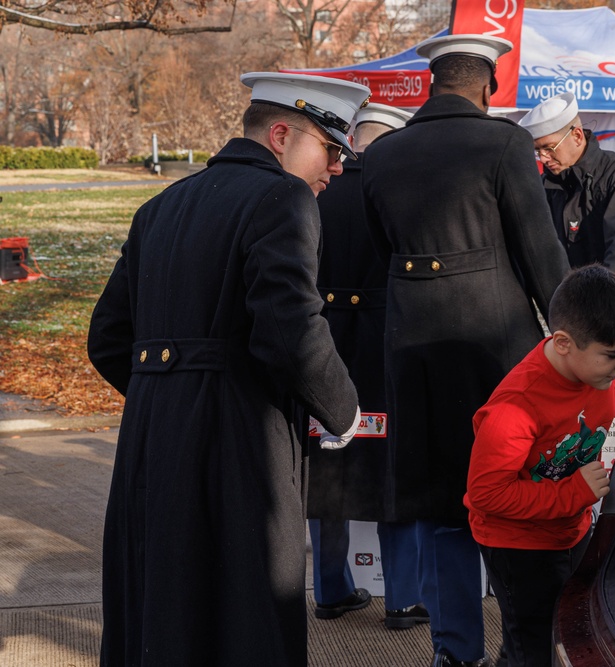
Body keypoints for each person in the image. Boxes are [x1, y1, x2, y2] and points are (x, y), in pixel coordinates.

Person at [87, 72, 370, 667]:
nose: (338, 168)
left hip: (151, 443)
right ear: (281, 134)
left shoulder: (159, 206)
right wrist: (342, 411)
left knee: (162, 609)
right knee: (245, 615)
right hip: (240, 443)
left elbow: (109, 339)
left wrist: (166, 394)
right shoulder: (282, 197)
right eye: (330, 148)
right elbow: (291, 327)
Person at [362, 34, 570, 667]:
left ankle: (454, 651)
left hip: (413, 347)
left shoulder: (384, 153)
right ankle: (524, 648)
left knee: (442, 508)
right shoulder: (505, 142)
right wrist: (571, 332)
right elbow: (541, 252)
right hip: (495, 348)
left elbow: (380, 251)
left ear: (429, 84)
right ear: (490, 88)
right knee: (511, 502)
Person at [465, 264, 615, 667]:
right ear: (563, 342)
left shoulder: (596, 374)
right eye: (614, 355)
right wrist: (573, 493)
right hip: (518, 547)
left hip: (571, 528)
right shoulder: (515, 408)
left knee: (564, 629)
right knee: (533, 643)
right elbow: (485, 494)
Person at [308, 102, 427, 629]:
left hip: (325, 341)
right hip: (386, 343)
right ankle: (403, 599)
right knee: (392, 471)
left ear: (355, 139)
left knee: (327, 467)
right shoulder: (407, 189)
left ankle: (330, 589)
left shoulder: (320, 188)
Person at [518, 92, 615, 297]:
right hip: (582, 305)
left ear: (577, 136)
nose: (544, 158)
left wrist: (588, 307)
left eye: (549, 148)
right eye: (537, 151)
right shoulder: (547, 186)